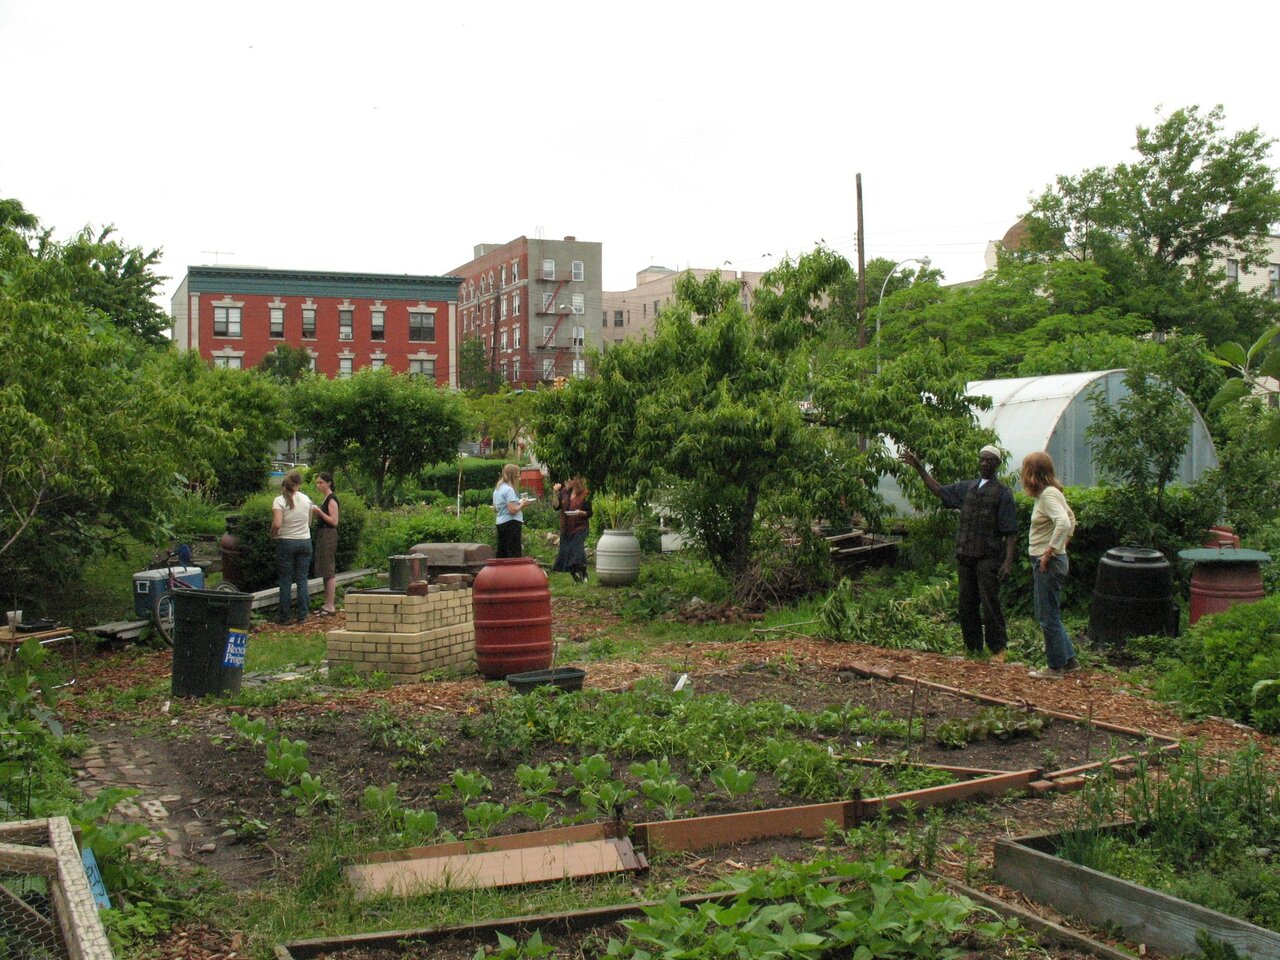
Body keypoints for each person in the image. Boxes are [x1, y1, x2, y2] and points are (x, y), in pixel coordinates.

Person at [900, 444, 1017, 660]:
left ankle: (998, 649)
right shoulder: (968, 488)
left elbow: (1010, 532)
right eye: (981, 459)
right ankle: (973, 648)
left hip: (988, 558)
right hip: (966, 556)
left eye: (989, 460)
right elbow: (940, 490)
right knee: (966, 604)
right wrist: (919, 468)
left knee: (990, 603)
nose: (984, 463)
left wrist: (1007, 562)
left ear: (997, 464)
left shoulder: (1003, 494)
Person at [1021, 452, 1080, 679]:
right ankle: (1070, 660)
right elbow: (1071, 519)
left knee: (1047, 617)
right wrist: (1063, 543)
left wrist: (1048, 552)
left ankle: (1055, 667)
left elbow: (1064, 521)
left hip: (1048, 563)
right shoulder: (1051, 493)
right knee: (1050, 613)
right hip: (1054, 560)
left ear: (1032, 473)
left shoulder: (1047, 495)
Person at [272, 470, 314, 624]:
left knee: (285, 580)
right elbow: (309, 523)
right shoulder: (306, 499)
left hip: (286, 541)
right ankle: (303, 614)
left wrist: (273, 533)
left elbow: (277, 523)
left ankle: (285, 616)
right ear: (299, 484)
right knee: (302, 578)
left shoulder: (279, 500)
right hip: (304, 541)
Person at [552, 476, 592, 582]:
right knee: (565, 552)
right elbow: (556, 507)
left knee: (576, 549)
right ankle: (576, 577)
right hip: (566, 528)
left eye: (570, 479)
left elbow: (589, 513)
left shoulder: (585, 493)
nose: (567, 481)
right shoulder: (565, 492)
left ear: (577, 480)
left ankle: (583, 572)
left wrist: (580, 512)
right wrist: (555, 493)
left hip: (580, 526)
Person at [310, 472, 340, 616]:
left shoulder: (331, 499)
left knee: (328, 569)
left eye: (321, 482)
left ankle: (330, 605)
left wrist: (320, 513)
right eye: (317, 483)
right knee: (324, 568)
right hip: (322, 534)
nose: (318, 485)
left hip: (329, 534)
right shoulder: (325, 499)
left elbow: (334, 521)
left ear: (328, 483)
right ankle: (326, 604)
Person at [493, 463, 533, 558]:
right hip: (511, 523)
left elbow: (495, 508)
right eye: (518, 475)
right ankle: (514, 571)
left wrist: (517, 503)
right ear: (514, 476)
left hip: (500, 522)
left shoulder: (497, 489)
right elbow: (512, 510)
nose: (519, 478)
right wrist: (522, 504)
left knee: (502, 550)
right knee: (513, 550)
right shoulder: (509, 490)